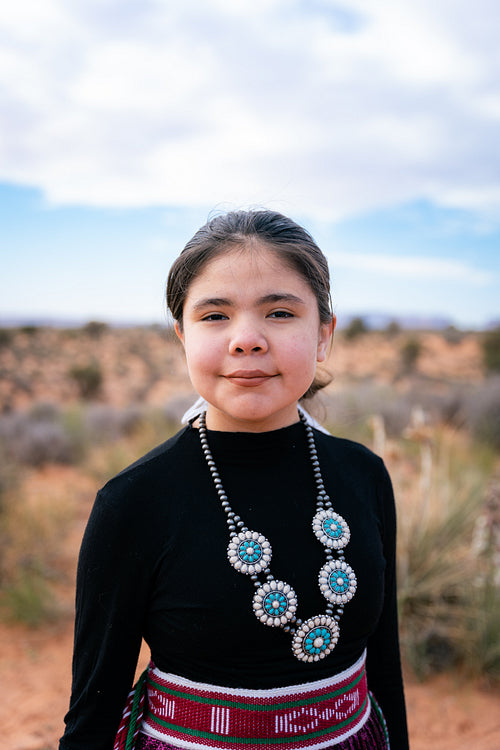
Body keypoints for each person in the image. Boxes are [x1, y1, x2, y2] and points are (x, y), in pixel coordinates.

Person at [60, 209, 409, 750]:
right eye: (215, 316)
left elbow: (384, 667)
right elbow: (92, 715)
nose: (246, 339)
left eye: (279, 312)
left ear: (324, 334)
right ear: (182, 336)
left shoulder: (364, 475)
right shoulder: (135, 502)